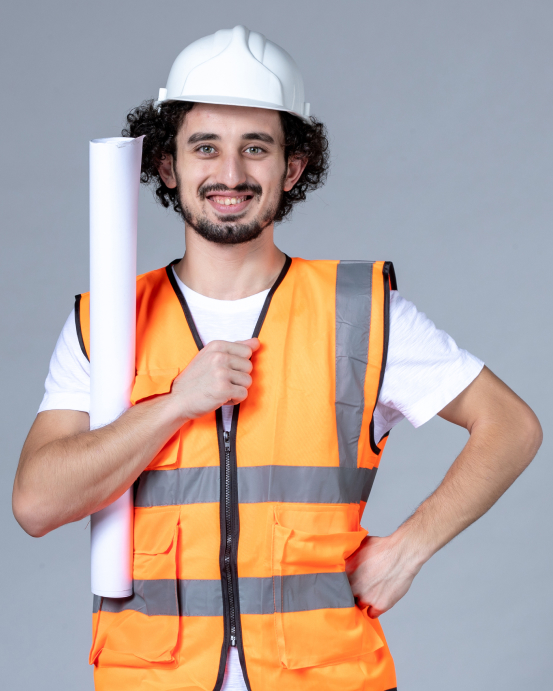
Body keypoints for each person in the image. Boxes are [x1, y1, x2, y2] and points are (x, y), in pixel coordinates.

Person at [12, 25, 541, 691]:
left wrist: (408, 550)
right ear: (168, 166)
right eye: (206, 147)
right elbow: (36, 503)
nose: (230, 174)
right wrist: (175, 405)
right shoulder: (109, 322)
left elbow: (512, 426)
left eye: (255, 148)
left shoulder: (359, 314)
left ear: (291, 168)